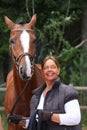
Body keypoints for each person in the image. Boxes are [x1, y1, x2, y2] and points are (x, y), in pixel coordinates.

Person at [7, 56, 82, 130]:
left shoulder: (67, 92)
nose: (49, 70)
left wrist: (50, 116)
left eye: (53, 67)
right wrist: (21, 121)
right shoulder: (35, 97)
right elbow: (37, 121)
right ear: (42, 72)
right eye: (46, 68)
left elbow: (75, 118)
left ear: (58, 70)